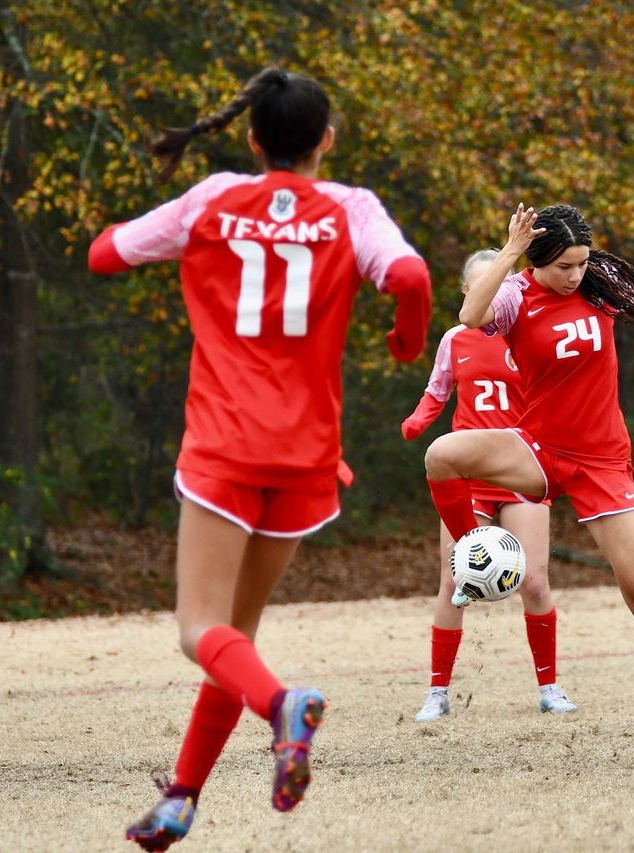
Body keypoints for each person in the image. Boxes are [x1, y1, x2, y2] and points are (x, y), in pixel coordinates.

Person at [87, 67, 431, 850]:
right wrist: (407, 339)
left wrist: (164, 240)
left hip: (225, 446)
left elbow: (104, 256)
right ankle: (180, 798)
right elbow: (408, 274)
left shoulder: (213, 199)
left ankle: (283, 706)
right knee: (234, 632)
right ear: (326, 141)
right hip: (307, 454)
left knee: (198, 629)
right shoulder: (352, 208)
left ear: (250, 139)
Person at [422, 202, 634, 765]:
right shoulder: (515, 295)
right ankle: (470, 550)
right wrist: (509, 250)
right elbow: (470, 314)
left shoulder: (597, 286)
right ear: (539, 259)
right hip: (540, 450)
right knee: (441, 455)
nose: (576, 274)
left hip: (601, 461)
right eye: (566, 265)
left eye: (582, 262)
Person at [402, 249, 578, 722]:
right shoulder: (455, 338)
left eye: (502, 286)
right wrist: (420, 420)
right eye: (483, 286)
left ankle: (549, 686)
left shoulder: (528, 332)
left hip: (520, 467)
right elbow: (438, 389)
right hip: (466, 475)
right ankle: (437, 692)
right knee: (454, 579)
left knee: (535, 580)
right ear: (467, 292)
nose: (494, 295)